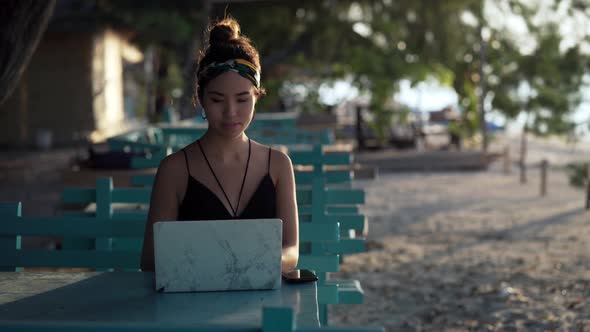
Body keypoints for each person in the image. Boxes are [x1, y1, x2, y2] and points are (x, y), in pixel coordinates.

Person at [140, 17, 299, 273]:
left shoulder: (279, 165)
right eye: (217, 100)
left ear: (257, 97)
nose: (231, 112)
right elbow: (150, 260)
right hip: (191, 304)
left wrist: (260, 264)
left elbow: (291, 249)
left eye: (242, 99)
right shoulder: (175, 169)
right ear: (200, 98)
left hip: (261, 298)